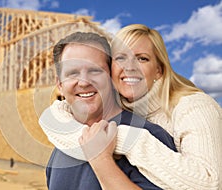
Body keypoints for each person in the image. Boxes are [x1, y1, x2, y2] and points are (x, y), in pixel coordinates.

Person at [40, 24, 222, 189]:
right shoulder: (63, 143)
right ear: (59, 85)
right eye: (72, 73)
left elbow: (210, 183)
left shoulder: (178, 119)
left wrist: (108, 151)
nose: (83, 81)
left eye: (95, 70)